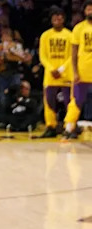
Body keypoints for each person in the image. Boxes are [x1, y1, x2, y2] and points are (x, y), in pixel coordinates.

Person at [39, 7, 73, 138]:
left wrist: (62, 69)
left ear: (63, 19)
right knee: (49, 101)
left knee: (68, 102)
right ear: (51, 20)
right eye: (54, 18)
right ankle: (51, 126)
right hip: (50, 74)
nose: (57, 20)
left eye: (59, 18)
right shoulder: (45, 35)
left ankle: (69, 127)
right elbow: (43, 55)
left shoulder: (70, 35)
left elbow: (72, 56)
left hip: (66, 74)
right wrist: (51, 68)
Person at [64, 0, 92, 140]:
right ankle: (69, 128)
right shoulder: (79, 28)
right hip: (82, 72)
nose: (90, 11)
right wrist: (74, 72)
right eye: (88, 9)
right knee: (76, 100)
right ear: (84, 11)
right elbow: (73, 53)